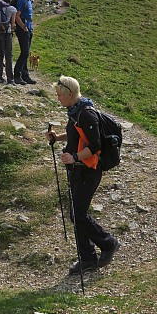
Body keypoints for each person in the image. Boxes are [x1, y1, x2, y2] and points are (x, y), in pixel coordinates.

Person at [47, 76, 120, 274]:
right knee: (76, 214)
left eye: (60, 95)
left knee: (77, 214)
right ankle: (87, 257)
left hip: (89, 169)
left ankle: (107, 243)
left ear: (70, 94)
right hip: (79, 169)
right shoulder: (75, 111)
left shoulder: (86, 114)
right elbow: (75, 135)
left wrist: (75, 157)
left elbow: (95, 146)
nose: (58, 99)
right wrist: (57, 137)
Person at [10, 0, 37, 85]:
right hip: (23, 30)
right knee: (25, 52)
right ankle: (17, 75)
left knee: (26, 52)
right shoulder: (22, 1)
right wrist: (23, 27)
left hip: (28, 30)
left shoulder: (29, 1)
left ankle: (25, 76)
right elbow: (17, 15)